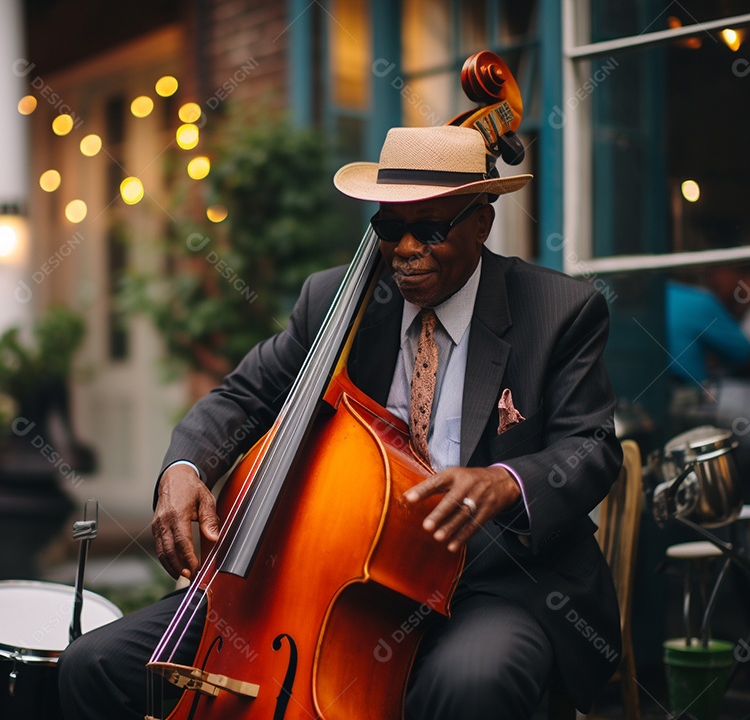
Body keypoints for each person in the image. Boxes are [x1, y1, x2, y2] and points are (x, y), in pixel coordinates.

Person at [58, 125, 623, 719]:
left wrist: (505, 481)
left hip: (485, 580)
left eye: (429, 228)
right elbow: (244, 395)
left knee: (468, 684)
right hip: (325, 575)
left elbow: (591, 446)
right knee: (94, 667)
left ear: (481, 222)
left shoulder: (557, 310)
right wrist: (184, 465)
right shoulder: (334, 299)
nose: (405, 248)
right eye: (388, 227)